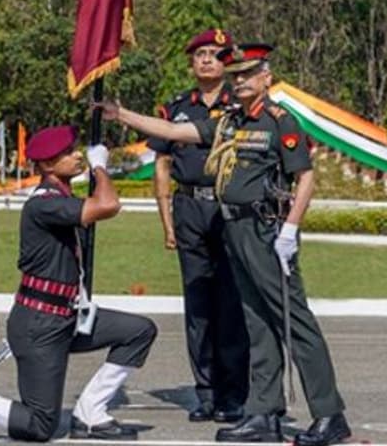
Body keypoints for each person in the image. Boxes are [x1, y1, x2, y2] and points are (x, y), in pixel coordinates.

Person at [99, 43, 350, 446]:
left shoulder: (279, 121)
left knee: (293, 322)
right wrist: (122, 114)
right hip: (234, 230)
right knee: (256, 323)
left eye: (247, 75)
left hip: (267, 230)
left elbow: (304, 177)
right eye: (235, 75)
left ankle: (329, 413)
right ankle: (263, 412)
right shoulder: (230, 121)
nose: (239, 81)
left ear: (266, 78)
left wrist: (290, 229)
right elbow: (173, 131)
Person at [0, 125, 158, 442]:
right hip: (40, 325)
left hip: (69, 317)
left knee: (139, 331)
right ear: (46, 165)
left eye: (76, 150)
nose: (77, 156)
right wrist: (100, 166)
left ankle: (90, 413)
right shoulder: (44, 204)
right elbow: (109, 205)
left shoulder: (62, 198)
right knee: (39, 425)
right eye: (69, 153)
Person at [148, 29, 248, 423]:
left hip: (227, 209)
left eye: (214, 54)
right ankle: (205, 394)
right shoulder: (177, 108)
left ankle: (234, 394)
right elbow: (162, 164)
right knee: (198, 307)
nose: (207, 60)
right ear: (191, 63)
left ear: (227, 62)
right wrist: (167, 219)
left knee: (231, 304)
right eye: (200, 54)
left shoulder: (240, 105)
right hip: (189, 208)